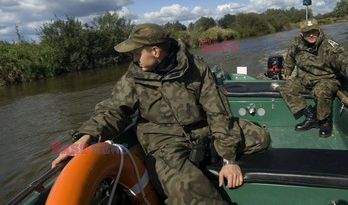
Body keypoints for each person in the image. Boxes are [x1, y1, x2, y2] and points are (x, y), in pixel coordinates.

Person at [52, 23, 270, 205]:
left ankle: (207, 155)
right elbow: (113, 110)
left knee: (260, 138)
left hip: (202, 129)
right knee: (188, 189)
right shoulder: (134, 77)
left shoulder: (195, 67)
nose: (133, 58)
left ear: (155, 51)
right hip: (164, 139)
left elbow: (217, 111)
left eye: (137, 53)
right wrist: (85, 137)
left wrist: (228, 159)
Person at [280, 18, 348, 137]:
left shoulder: (330, 46)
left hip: (327, 79)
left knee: (320, 91)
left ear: (319, 30)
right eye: (307, 32)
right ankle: (312, 117)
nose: (311, 35)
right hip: (305, 80)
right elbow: (290, 58)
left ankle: (325, 121)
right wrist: (286, 70)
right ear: (301, 34)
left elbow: (346, 63)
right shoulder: (297, 45)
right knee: (286, 87)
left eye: (313, 31)